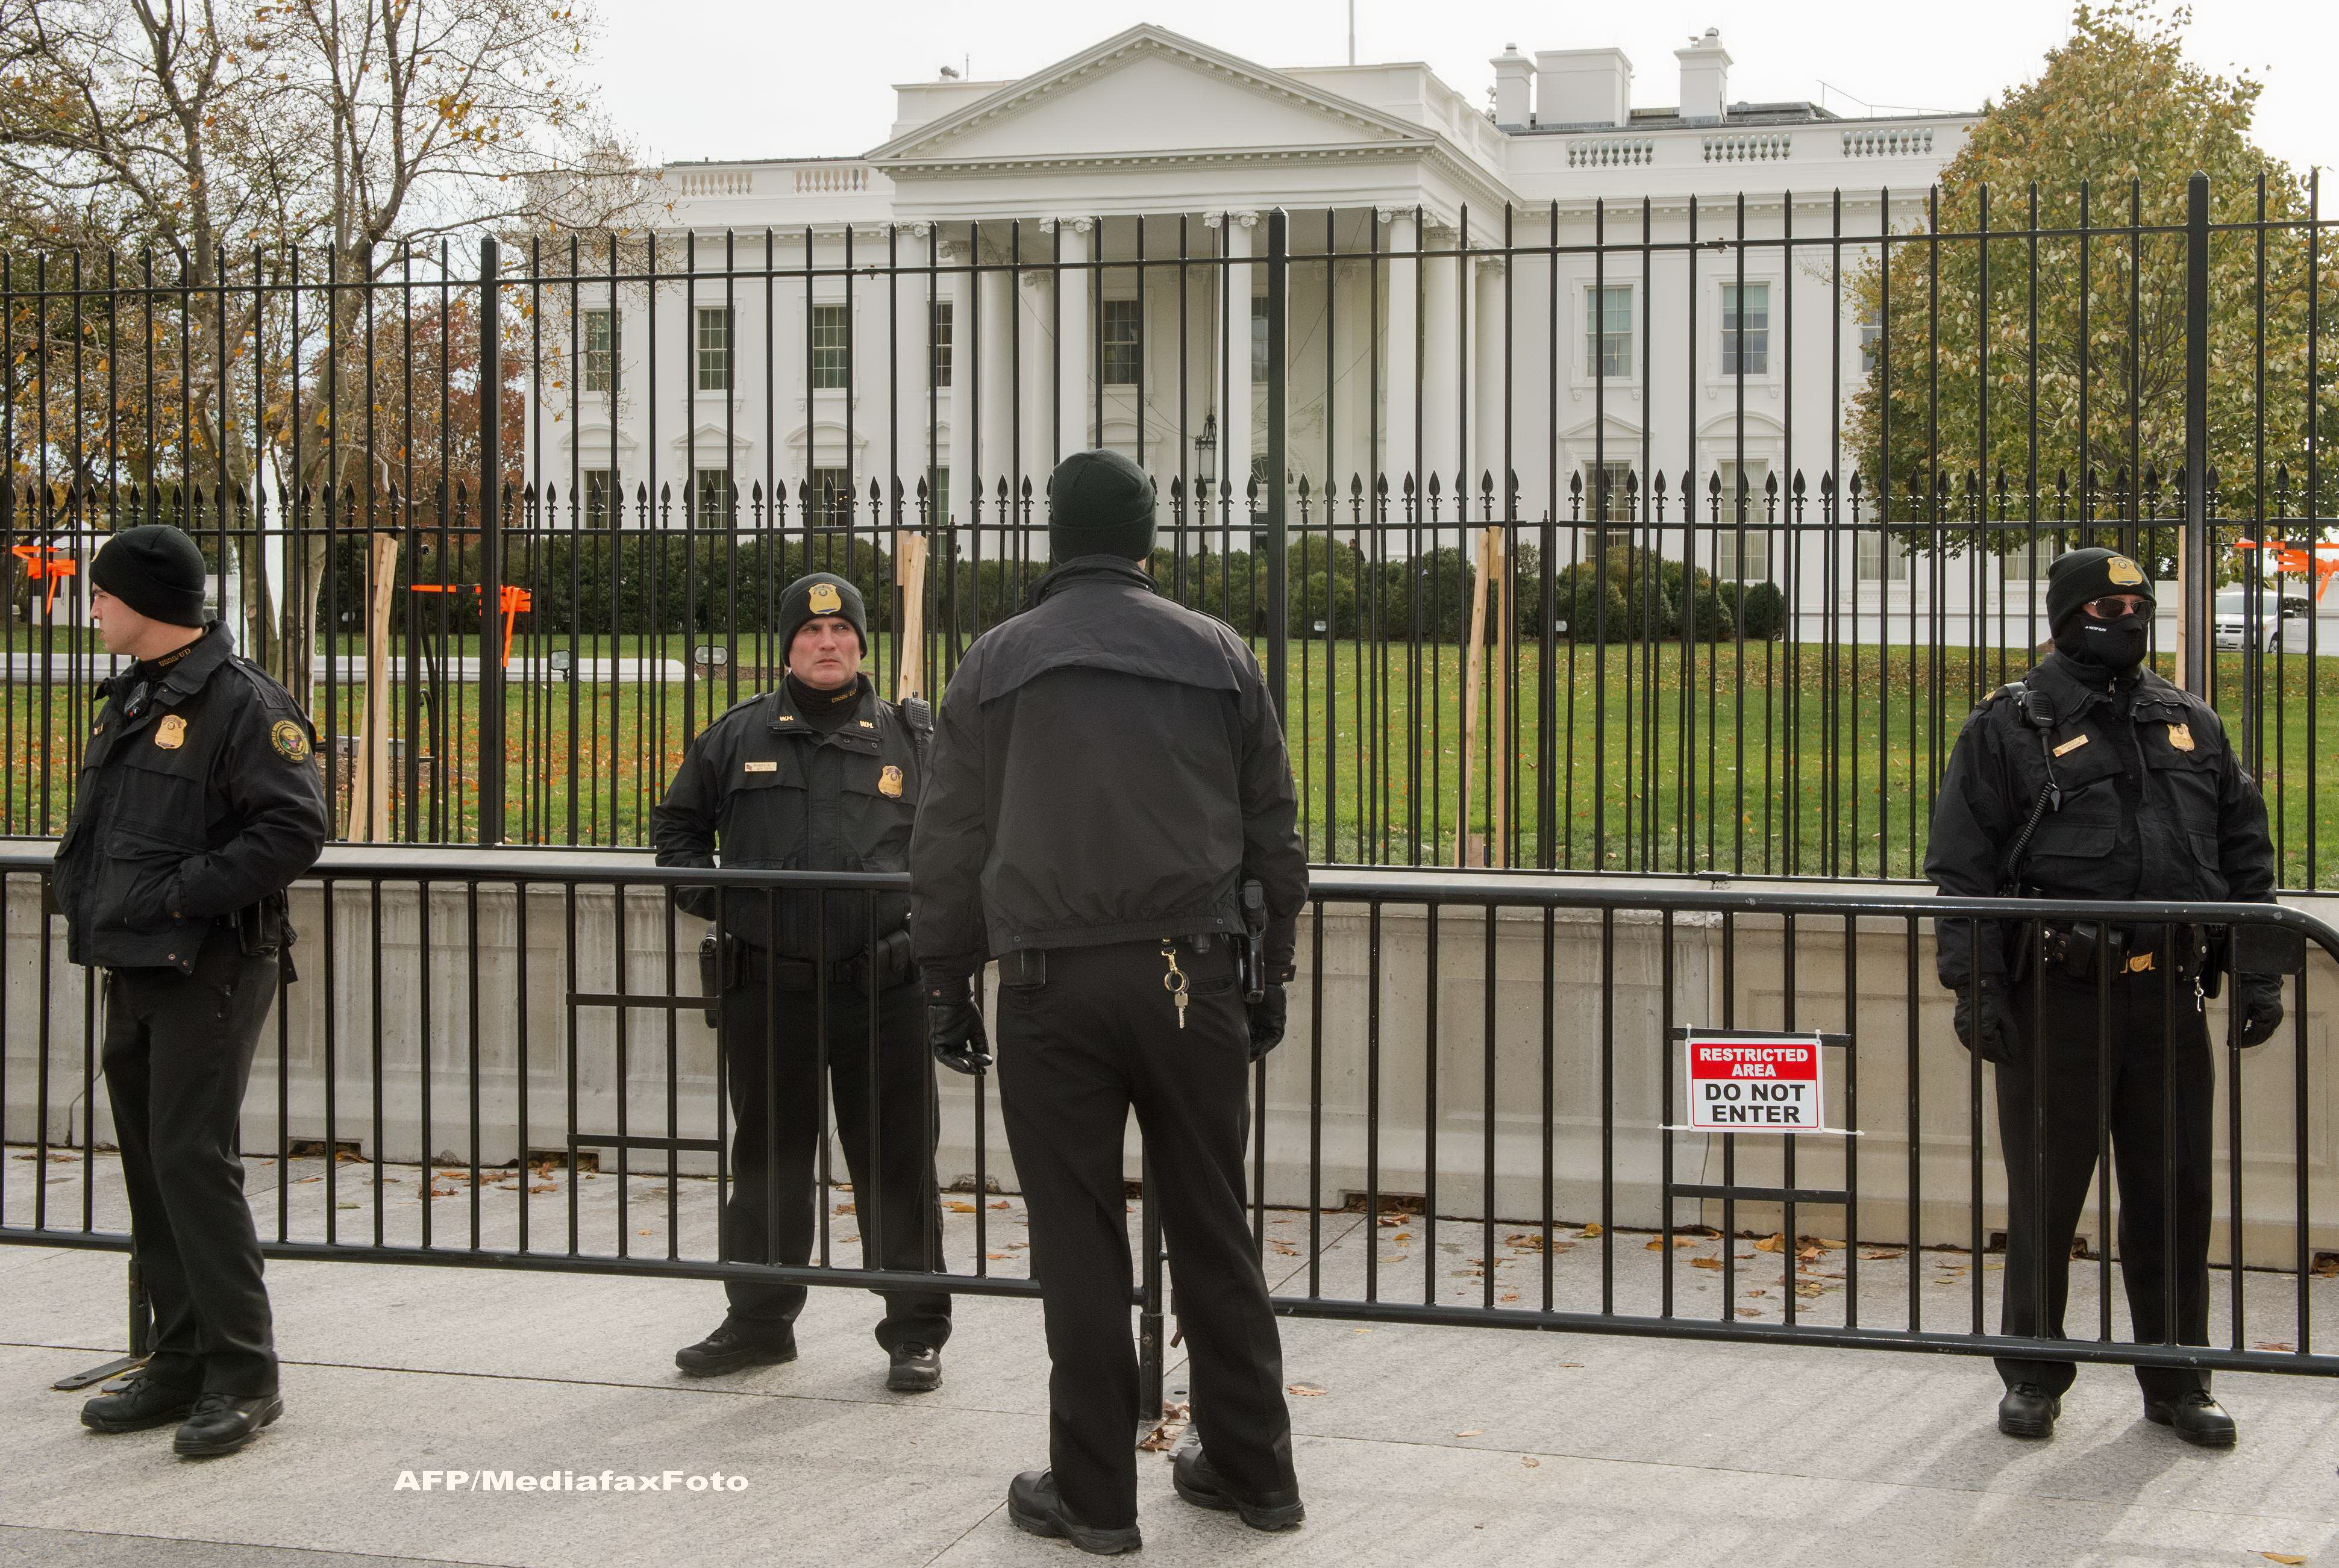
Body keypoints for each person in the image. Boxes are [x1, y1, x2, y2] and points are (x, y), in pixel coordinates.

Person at [910, 448, 1310, 1555]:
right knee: (1212, 1223)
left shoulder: (996, 660)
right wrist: (1266, 973)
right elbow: (1273, 830)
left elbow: (947, 844)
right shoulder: (1217, 653)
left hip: (1049, 983)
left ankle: (1094, 1496)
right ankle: (1253, 1468)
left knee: (1077, 1241)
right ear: (1147, 542)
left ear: (1052, 539)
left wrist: (944, 984)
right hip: (1195, 974)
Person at [1926, 546, 2282, 1449]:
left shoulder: (2188, 721)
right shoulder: (2008, 725)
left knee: (2173, 1195)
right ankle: (2034, 1375)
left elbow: (2245, 857)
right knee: (2047, 1193)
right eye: (2107, 605)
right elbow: (1962, 871)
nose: (2127, 619)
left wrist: (2257, 970)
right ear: (2065, 617)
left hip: (2165, 999)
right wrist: (1976, 986)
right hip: (2055, 997)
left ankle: (2176, 1379)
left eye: (2138, 605)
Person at [59, 523, 329, 1457]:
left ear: (144, 602)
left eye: (101, 594)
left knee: (191, 1161)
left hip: (210, 965)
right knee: (149, 1164)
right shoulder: (137, 695)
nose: (90, 607)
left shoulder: (240, 700)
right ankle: (177, 1361)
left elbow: (294, 828)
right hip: (135, 963)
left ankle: (244, 1374)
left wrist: (177, 899)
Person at [651, 571, 951, 1392]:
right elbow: (676, 832)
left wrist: (922, 931)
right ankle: (758, 1324)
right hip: (769, 991)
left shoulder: (909, 740)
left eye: (843, 633)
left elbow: (953, 849)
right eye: (812, 634)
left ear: (861, 644)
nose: (829, 644)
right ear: (788, 646)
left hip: (882, 992)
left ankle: (913, 1331)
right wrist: (732, 901)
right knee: (769, 1161)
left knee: (895, 1167)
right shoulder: (736, 733)